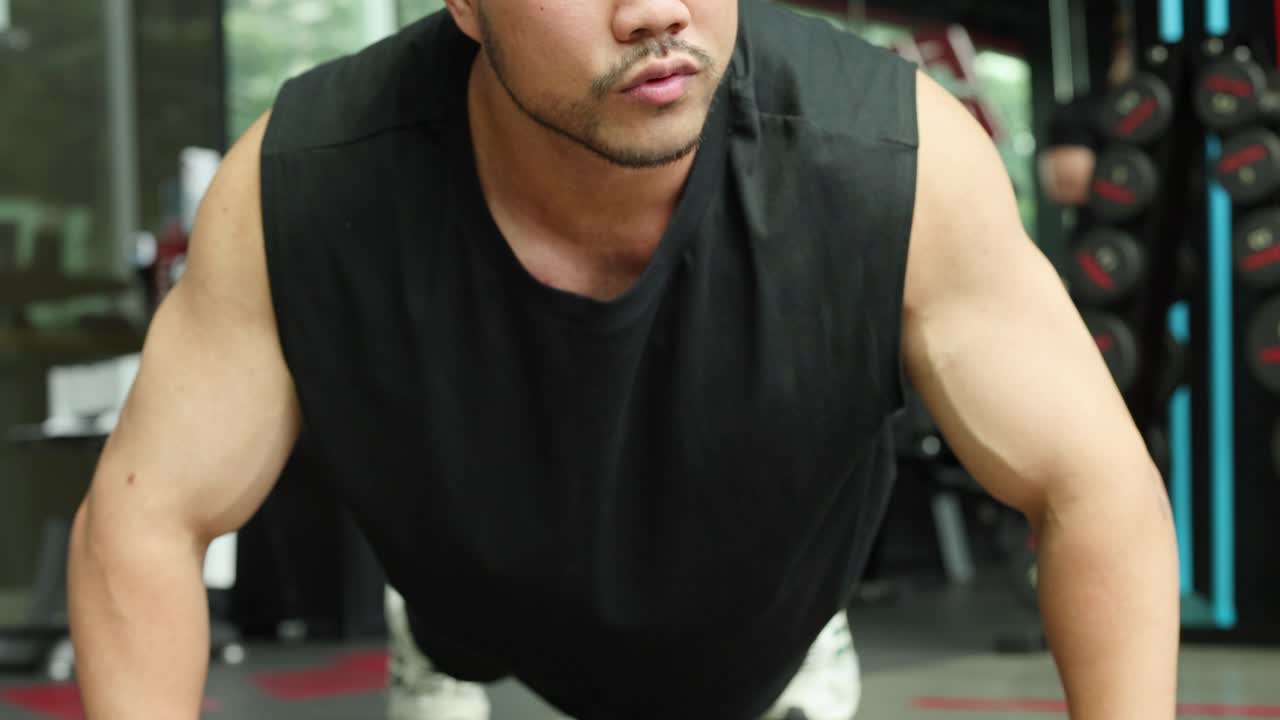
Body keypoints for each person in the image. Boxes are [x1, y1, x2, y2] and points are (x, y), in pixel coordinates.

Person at [67, 0, 1179, 718]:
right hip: (466, 580)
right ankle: (430, 638)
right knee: (449, 622)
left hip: (761, 600)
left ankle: (806, 635)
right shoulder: (307, 180)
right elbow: (146, 514)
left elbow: (1091, 484)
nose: (656, 10)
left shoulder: (895, 157)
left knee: (766, 636)